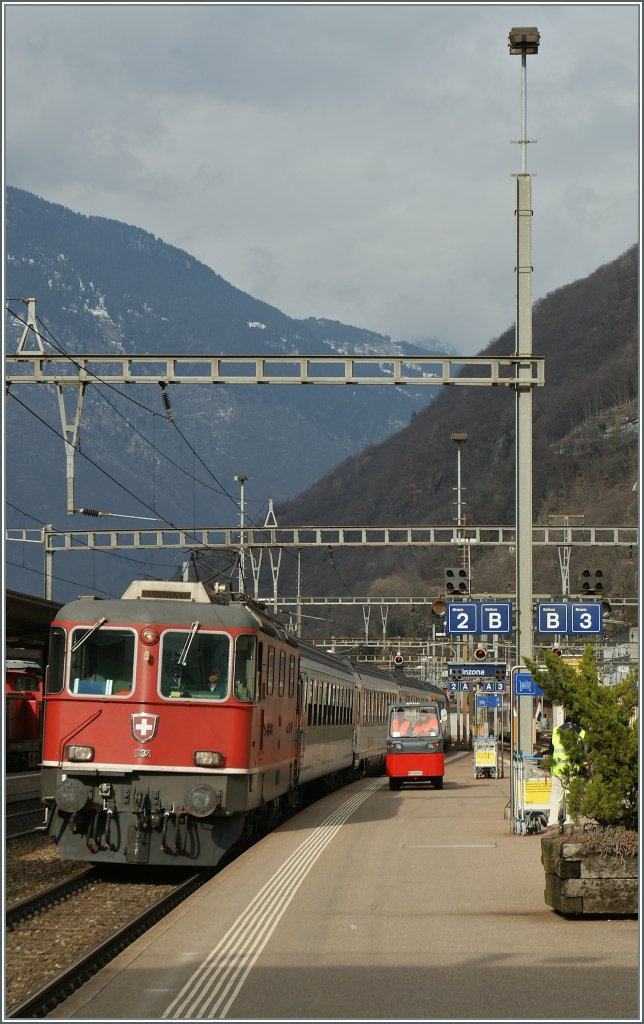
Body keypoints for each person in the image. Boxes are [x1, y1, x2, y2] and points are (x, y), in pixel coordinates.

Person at [546, 715, 585, 829]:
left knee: (555, 798)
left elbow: (551, 752)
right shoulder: (581, 732)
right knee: (570, 798)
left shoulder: (556, 732)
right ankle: (569, 825)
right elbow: (583, 753)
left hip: (558, 771)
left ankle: (553, 824)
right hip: (573, 771)